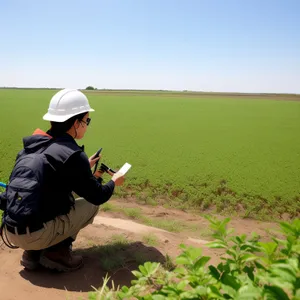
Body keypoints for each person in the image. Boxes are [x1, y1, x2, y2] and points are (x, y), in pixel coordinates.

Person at [0, 89, 125, 272]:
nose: (87, 125)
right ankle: (57, 253)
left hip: (11, 230)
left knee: (56, 198)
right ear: (76, 123)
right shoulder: (72, 154)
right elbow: (98, 196)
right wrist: (114, 181)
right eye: (86, 121)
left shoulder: (32, 147)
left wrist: (85, 166)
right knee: (88, 205)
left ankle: (32, 254)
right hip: (35, 234)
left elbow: (49, 179)